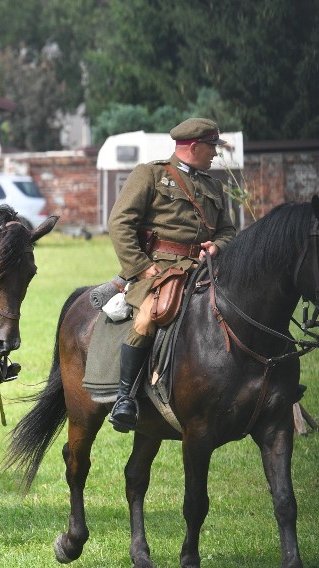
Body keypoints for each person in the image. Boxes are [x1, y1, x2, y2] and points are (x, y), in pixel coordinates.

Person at [106, 117, 237, 432]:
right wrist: (140, 266)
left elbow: (229, 230)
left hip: (206, 268)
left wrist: (217, 247)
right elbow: (119, 223)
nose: (215, 154)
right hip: (160, 270)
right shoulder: (150, 175)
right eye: (212, 148)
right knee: (150, 315)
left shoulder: (214, 186)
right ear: (194, 146)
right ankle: (125, 399)